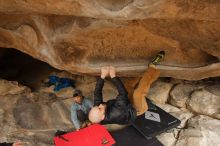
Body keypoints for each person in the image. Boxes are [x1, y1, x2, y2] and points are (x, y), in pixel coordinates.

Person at [88, 51, 165, 124]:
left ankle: (145, 73)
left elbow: (97, 93)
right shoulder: (116, 113)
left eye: (97, 106)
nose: (100, 105)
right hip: (135, 109)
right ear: (103, 117)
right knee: (138, 94)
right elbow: (123, 94)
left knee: (127, 85)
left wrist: (102, 76)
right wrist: (113, 76)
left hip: (126, 104)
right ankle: (152, 66)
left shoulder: (97, 109)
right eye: (100, 108)